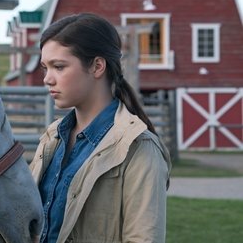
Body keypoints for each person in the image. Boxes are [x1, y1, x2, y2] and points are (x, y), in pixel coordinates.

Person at [30, 13, 171, 243]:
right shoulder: (51, 138)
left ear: (97, 66)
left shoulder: (139, 148)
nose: (47, 78)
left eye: (59, 66)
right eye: (45, 67)